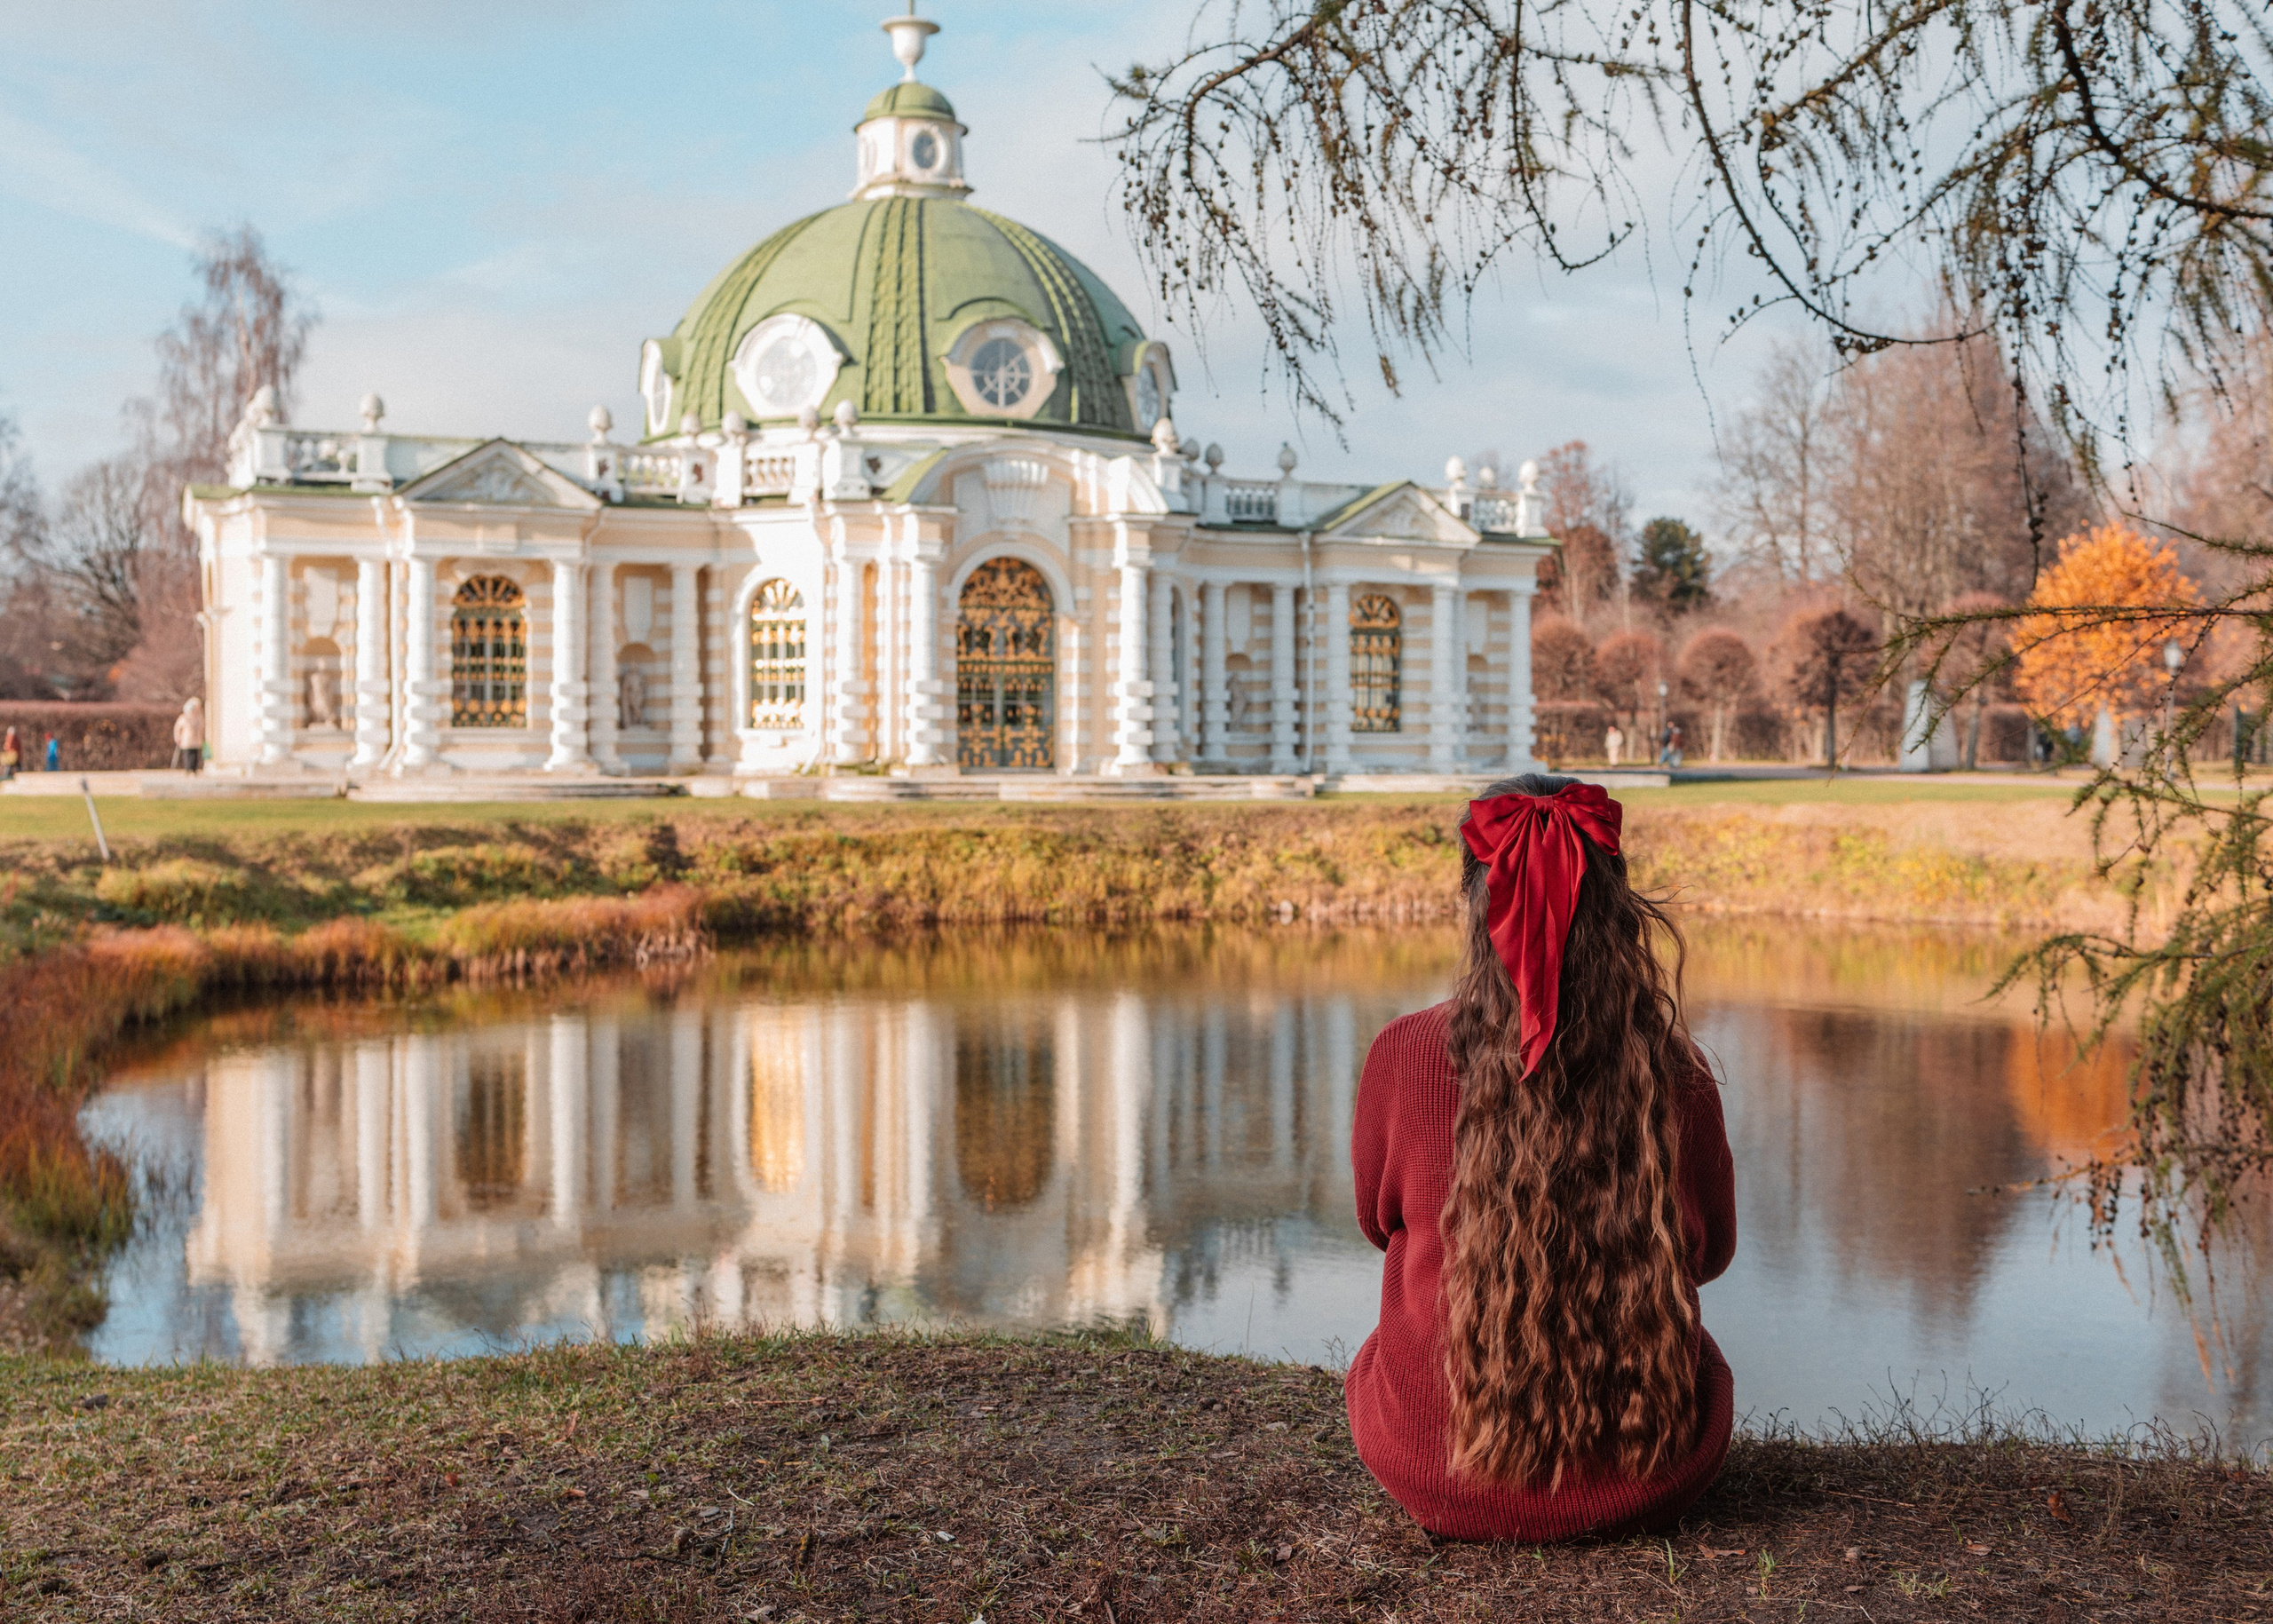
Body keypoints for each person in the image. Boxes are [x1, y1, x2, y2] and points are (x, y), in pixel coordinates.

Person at [1344, 773, 1736, 1542]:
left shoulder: (1404, 1051)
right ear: (1617, 907)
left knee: (1391, 1338)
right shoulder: (1677, 1069)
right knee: (1700, 1357)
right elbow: (1710, 1251)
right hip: (1645, 1477)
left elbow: (1376, 1221)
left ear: (1474, 902)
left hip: (1432, 1467)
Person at [172, 697, 204, 773]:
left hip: (196, 739)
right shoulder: (184, 717)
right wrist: (177, 736)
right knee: (188, 754)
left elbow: (202, 727)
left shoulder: (199, 717)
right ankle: (188, 769)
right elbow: (178, 728)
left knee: (195, 755)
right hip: (187, 739)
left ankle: (194, 770)